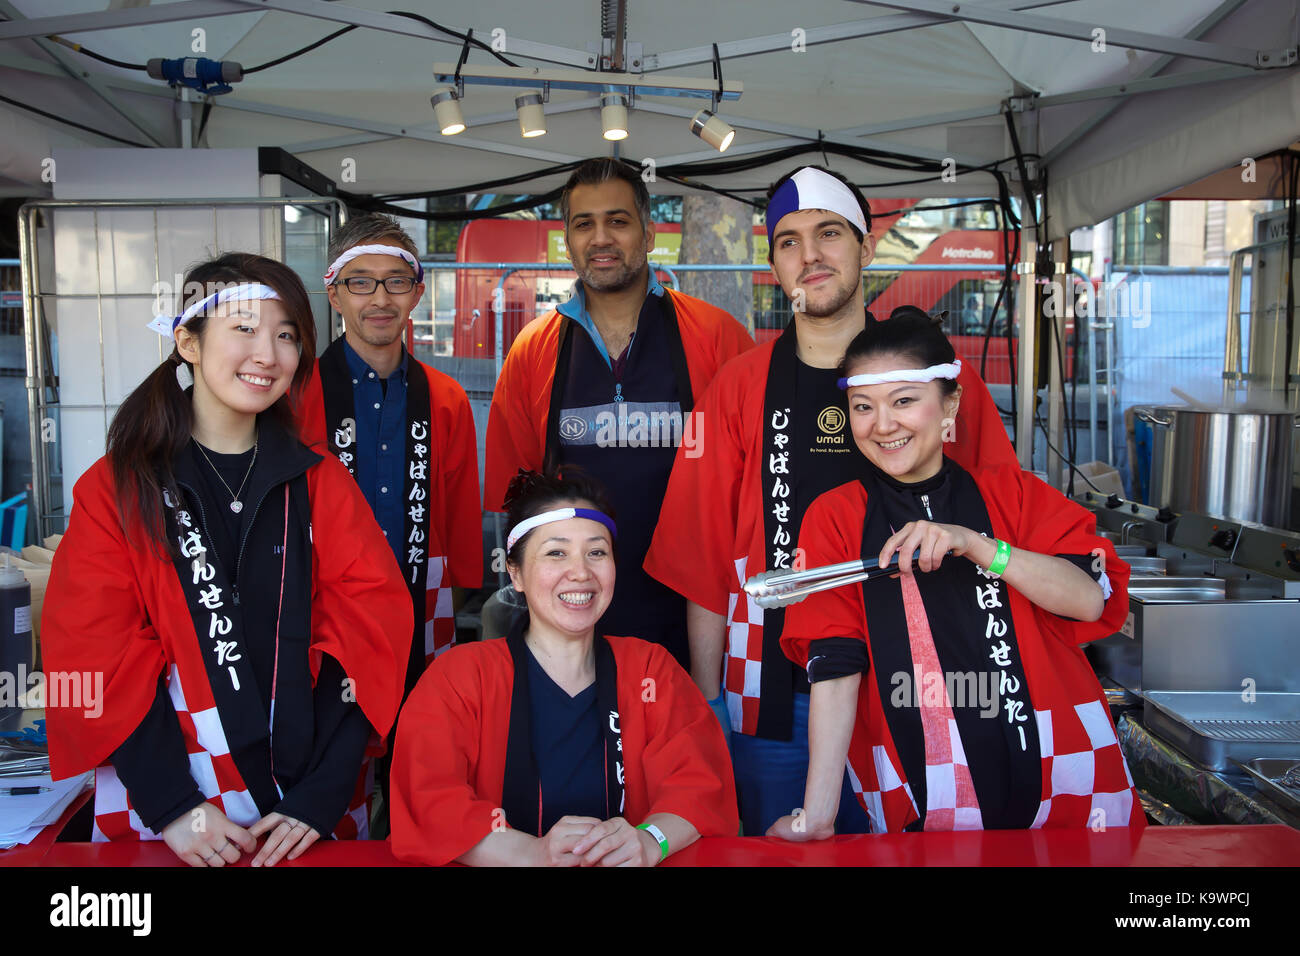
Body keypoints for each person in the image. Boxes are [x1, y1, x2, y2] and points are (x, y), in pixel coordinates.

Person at [645, 165, 1018, 837]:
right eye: (789, 241)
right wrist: (711, 703)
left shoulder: (941, 380)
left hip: (927, 681)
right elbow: (702, 563)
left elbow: (1003, 526)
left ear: (867, 249)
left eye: (829, 235)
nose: (810, 256)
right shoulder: (737, 388)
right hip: (777, 692)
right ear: (774, 264)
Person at [43, 253, 412, 865]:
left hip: (305, 817)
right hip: (162, 816)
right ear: (187, 341)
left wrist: (321, 796)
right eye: (244, 328)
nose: (268, 354)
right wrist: (170, 805)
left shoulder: (322, 484)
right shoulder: (117, 488)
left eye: (287, 334)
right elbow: (89, 650)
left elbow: (372, 632)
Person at [772, 311, 1141, 836]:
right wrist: (819, 815)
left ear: (950, 405)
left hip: (1067, 772)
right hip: (921, 784)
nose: (882, 424)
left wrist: (978, 545)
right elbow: (833, 666)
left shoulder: (1016, 495)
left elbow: (1088, 601)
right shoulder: (835, 516)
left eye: (904, 401)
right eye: (863, 407)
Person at [390, 469, 738, 866]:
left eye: (596, 552)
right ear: (516, 573)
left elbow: (700, 785)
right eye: (556, 552)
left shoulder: (651, 670)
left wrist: (649, 841)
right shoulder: (459, 678)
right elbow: (427, 796)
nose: (580, 572)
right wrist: (533, 853)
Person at [484, 158, 753, 671]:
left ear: (649, 234)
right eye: (584, 224)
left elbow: (750, 489)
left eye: (618, 220)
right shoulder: (531, 351)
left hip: (697, 624)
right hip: (569, 624)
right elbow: (513, 503)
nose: (600, 237)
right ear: (568, 240)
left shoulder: (717, 337)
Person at [295, 215, 482, 832]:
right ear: (333, 292)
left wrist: (461, 600)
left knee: (420, 766)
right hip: (323, 610)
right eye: (361, 282)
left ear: (418, 292)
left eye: (396, 282)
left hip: (420, 603)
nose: (380, 299)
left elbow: (455, 514)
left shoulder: (447, 398)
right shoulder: (296, 395)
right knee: (329, 773)